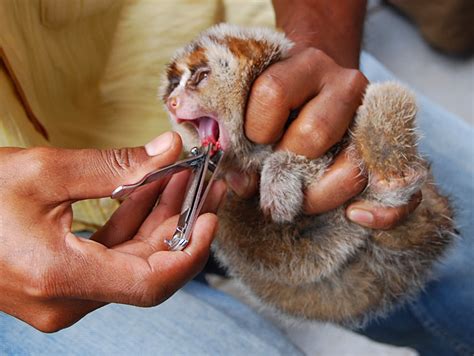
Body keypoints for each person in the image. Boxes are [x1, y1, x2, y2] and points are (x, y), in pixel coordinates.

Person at [0, 1, 472, 355]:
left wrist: (322, 46)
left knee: (463, 264)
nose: (176, 103)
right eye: (175, 91)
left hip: (271, 55)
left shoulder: (247, 69)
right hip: (35, 230)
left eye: (193, 82)